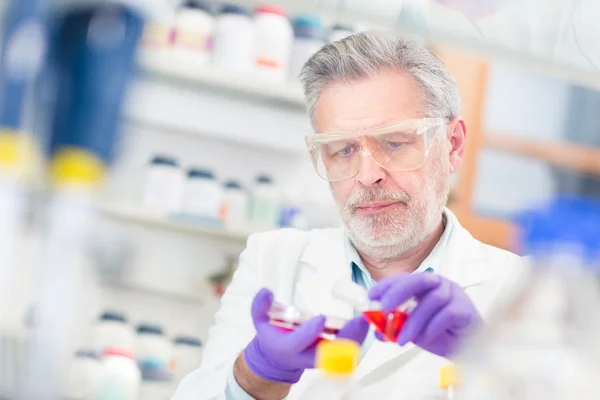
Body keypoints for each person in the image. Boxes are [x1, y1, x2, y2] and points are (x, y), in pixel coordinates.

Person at [172, 32, 523, 400]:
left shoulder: (520, 290)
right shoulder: (273, 260)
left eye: (394, 142)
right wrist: (252, 376)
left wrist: (486, 362)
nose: (367, 174)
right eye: (342, 149)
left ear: (452, 146)